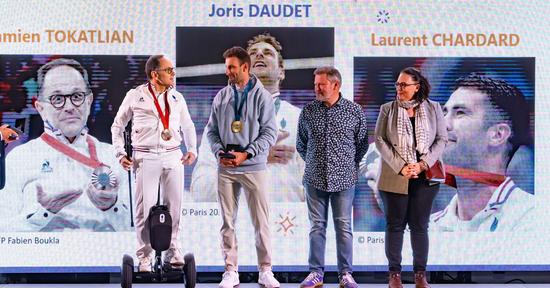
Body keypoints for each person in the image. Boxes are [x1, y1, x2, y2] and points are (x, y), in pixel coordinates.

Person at [0, 58, 130, 232]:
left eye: (77, 96)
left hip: (102, 255)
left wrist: (112, 207)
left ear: (89, 101)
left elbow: (139, 235)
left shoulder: (115, 158)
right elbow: (3, 232)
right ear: (40, 108)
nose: (69, 107)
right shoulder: (19, 158)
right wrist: (43, 213)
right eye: (57, 98)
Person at [191, 32, 304, 202]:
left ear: (281, 72)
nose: (259, 54)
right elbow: (200, 190)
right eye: (252, 54)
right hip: (237, 224)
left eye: (267, 53)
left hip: (286, 224)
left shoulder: (300, 119)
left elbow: (318, 189)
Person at [111, 55, 197, 272]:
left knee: (175, 207)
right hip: (145, 157)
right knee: (144, 209)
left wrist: (192, 149)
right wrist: (120, 154)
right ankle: (144, 257)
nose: (173, 73)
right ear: (154, 74)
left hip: (172, 155)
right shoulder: (135, 96)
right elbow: (117, 126)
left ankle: (173, 251)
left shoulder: (177, 98)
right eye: (169, 70)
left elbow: (187, 126)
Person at [207, 46, 279, 288]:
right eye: (227, 67)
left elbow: (270, 133)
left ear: (245, 68)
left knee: (261, 222)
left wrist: (247, 154)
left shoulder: (263, 97)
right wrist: (219, 151)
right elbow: (211, 131)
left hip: (254, 167)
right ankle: (231, 270)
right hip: (226, 168)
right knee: (227, 222)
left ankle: (265, 270)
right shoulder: (221, 96)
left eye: (231, 67)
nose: (227, 72)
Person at [430, 73, 534, 231]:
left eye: (460, 113)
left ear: (498, 135)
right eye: (444, 113)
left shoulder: (533, 218)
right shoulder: (427, 229)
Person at [375, 67, 447, 288]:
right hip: (395, 175)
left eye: (404, 85)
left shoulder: (434, 108)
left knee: (419, 226)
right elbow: (380, 139)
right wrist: (401, 166)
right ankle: (394, 275)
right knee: (394, 226)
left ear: (417, 87)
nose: (399, 88)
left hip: (425, 176)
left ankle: (420, 275)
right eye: (397, 84)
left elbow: (441, 139)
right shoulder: (387, 109)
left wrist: (422, 164)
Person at [297, 66, 368, 288]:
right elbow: (301, 145)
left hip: (344, 181)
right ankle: (315, 274)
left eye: (321, 84)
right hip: (314, 179)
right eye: (315, 84)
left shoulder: (354, 111)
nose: (316, 88)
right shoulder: (308, 111)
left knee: (344, 227)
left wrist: (344, 165)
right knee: (316, 227)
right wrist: (316, 163)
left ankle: (345, 274)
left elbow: (362, 145)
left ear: (335, 85)